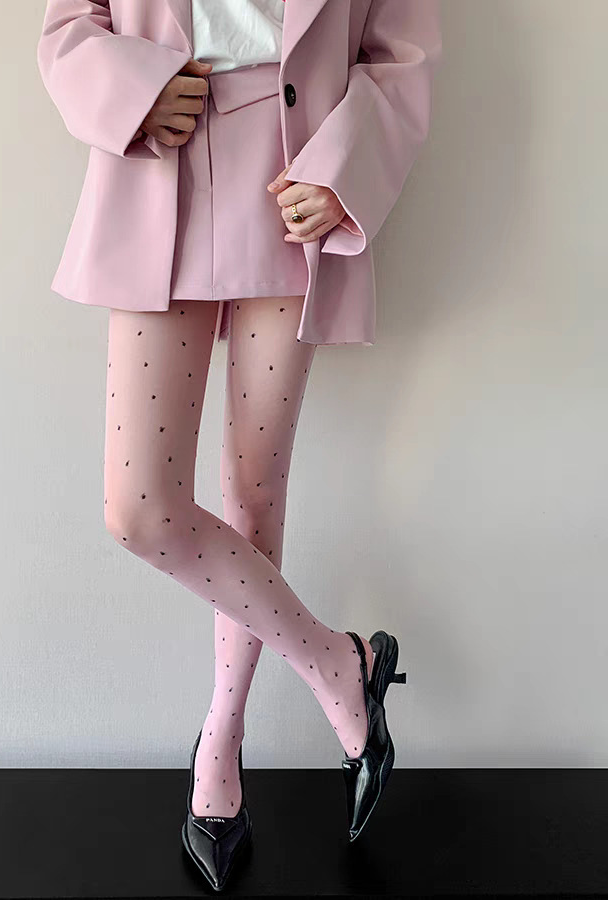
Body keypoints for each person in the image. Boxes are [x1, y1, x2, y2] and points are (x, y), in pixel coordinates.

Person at [37, 0, 441, 890]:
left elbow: (403, 48)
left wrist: (346, 173)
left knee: (254, 497)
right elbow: (67, 27)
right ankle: (340, 665)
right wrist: (134, 92)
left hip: (295, 174)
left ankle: (220, 746)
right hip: (160, 162)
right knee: (140, 508)